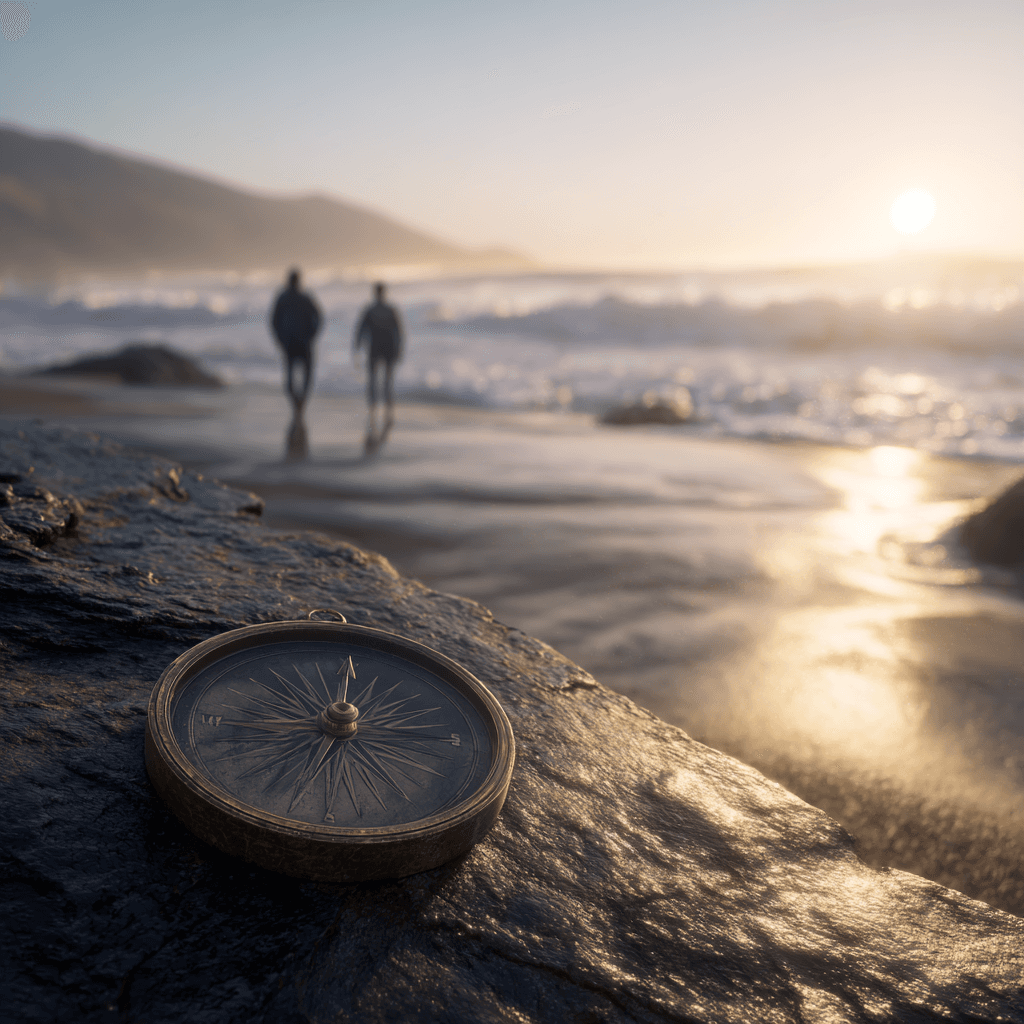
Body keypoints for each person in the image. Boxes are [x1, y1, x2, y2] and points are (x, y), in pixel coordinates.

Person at [270, 269, 322, 410]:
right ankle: (301, 403)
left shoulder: (283, 298)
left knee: (289, 379)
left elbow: (274, 322)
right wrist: (312, 335)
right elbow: (319, 318)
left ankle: (296, 404)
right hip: (304, 343)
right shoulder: (305, 297)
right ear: (299, 281)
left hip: (290, 343)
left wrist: (280, 339)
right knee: (307, 377)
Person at [353, 281, 403, 420]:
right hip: (388, 349)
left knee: (373, 380)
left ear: (375, 293)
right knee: (387, 381)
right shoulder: (390, 310)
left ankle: (373, 408)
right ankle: (388, 409)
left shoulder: (370, 310)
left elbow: (360, 330)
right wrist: (399, 349)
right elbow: (398, 332)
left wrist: (357, 347)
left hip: (375, 349)